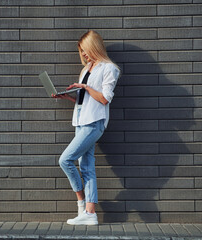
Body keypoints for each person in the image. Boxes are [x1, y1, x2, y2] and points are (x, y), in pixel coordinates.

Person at [52, 30, 120, 225]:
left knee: (65, 160)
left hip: (94, 123)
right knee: (87, 166)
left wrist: (85, 88)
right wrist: (69, 97)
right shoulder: (86, 69)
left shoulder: (109, 68)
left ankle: (82, 203)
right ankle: (90, 214)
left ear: (94, 47)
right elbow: (86, 100)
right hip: (80, 120)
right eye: (81, 51)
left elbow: (104, 99)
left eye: (86, 50)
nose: (83, 54)